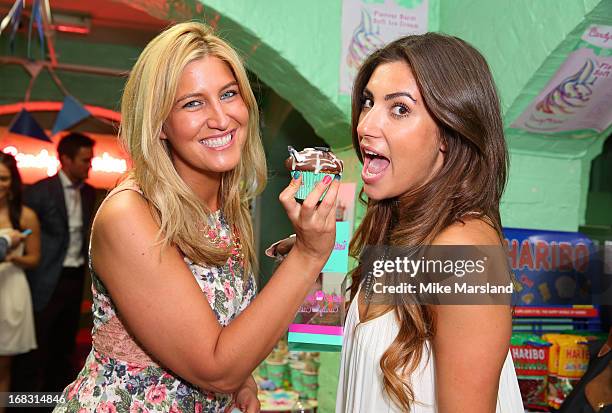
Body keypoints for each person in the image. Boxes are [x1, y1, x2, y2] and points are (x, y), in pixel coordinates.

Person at [52, 22, 339, 413]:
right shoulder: (129, 215)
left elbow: (212, 331)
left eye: (228, 94)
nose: (221, 118)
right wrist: (308, 254)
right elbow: (215, 368)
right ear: (160, 124)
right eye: (193, 103)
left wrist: (243, 380)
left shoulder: (223, 203)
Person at [335, 33, 524, 412]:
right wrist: (311, 255)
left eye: (400, 109)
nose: (365, 125)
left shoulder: (465, 254)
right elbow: (362, 346)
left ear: (449, 134)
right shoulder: (402, 230)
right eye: (368, 102)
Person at [11, 132, 96, 394]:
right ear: (66, 160)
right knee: (35, 348)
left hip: (75, 277)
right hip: (44, 278)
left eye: (90, 160)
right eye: (84, 160)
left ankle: (56, 400)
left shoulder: (89, 193)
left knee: (64, 345)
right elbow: (22, 230)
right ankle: (25, 404)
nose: (89, 166)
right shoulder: (40, 191)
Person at [0, 152, 40, 413]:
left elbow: (35, 258)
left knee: (3, 366)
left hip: (10, 289)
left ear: (12, 181)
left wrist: (15, 258)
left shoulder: (25, 216)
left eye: (3, 178)